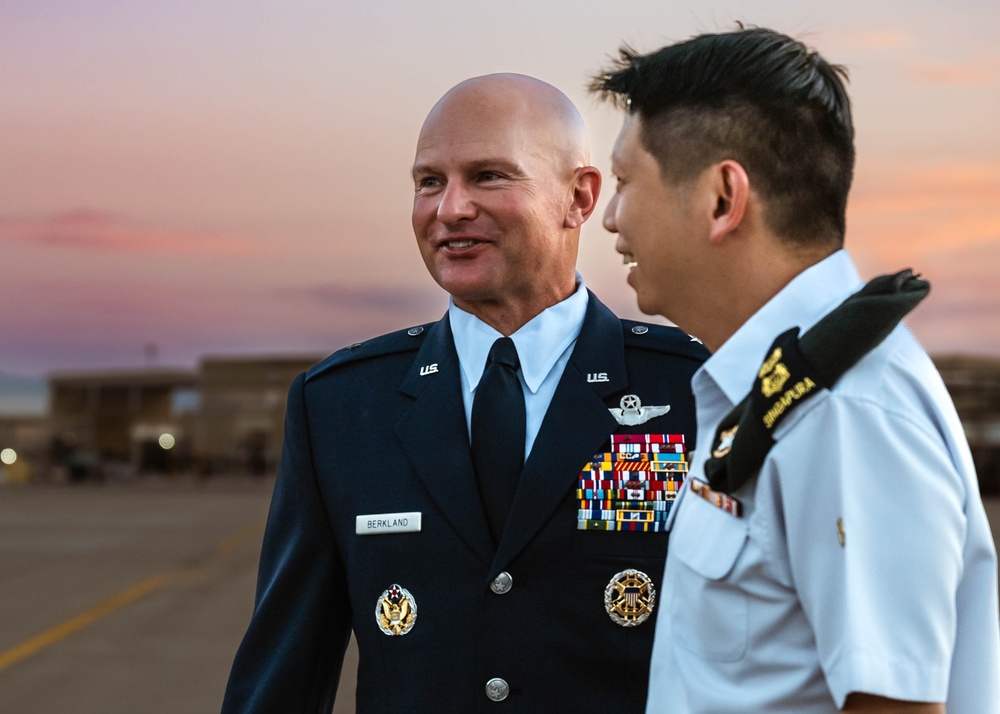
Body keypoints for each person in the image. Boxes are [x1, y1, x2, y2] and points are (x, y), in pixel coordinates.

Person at [221, 73, 707, 712]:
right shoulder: (342, 407)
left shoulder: (692, 389)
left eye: (488, 176)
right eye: (429, 182)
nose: (449, 209)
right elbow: (285, 673)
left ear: (580, 197)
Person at [591, 27, 1000, 714]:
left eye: (628, 182)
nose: (610, 218)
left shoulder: (845, 412)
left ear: (723, 197)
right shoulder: (773, 393)